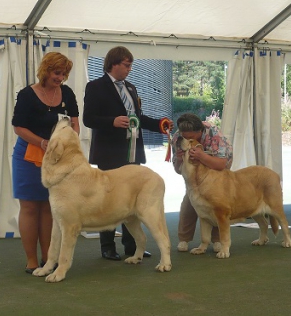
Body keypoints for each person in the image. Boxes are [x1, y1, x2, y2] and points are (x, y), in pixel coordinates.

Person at [83, 46, 172, 261]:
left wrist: (159, 124)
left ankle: (133, 247)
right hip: (109, 154)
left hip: (132, 153)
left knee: (132, 202)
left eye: (130, 65)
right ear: (113, 63)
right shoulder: (95, 87)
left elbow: (137, 119)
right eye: (126, 65)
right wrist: (111, 122)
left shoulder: (131, 88)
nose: (130, 69)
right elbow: (88, 119)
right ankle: (107, 247)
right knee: (107, 201)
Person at [11, 52, 80, 274]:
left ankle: (48, 258)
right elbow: (18, 128)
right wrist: (42, 142)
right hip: (29, 156)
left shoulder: (67, 94)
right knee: (30, 207)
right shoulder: (27, 95)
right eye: (56, 72)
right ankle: (31, 260)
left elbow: (75, 123)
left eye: (64, 74)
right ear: (46, 70)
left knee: (51, 208)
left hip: (58, 158)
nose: (60, 78)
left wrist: (69, 141)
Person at [171, 113, 233, 252]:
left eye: (191, 138)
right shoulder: (178, 138)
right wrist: (180, 159)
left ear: (200, 131)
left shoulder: (213, 133)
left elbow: (221, 164)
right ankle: (184, 238)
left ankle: (217, 240)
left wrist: (201, 156)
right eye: (184, 137)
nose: (187, 140)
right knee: (190, 200)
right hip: (194, 175)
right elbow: (177, 169)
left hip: (217, 169)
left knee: (217, 202)